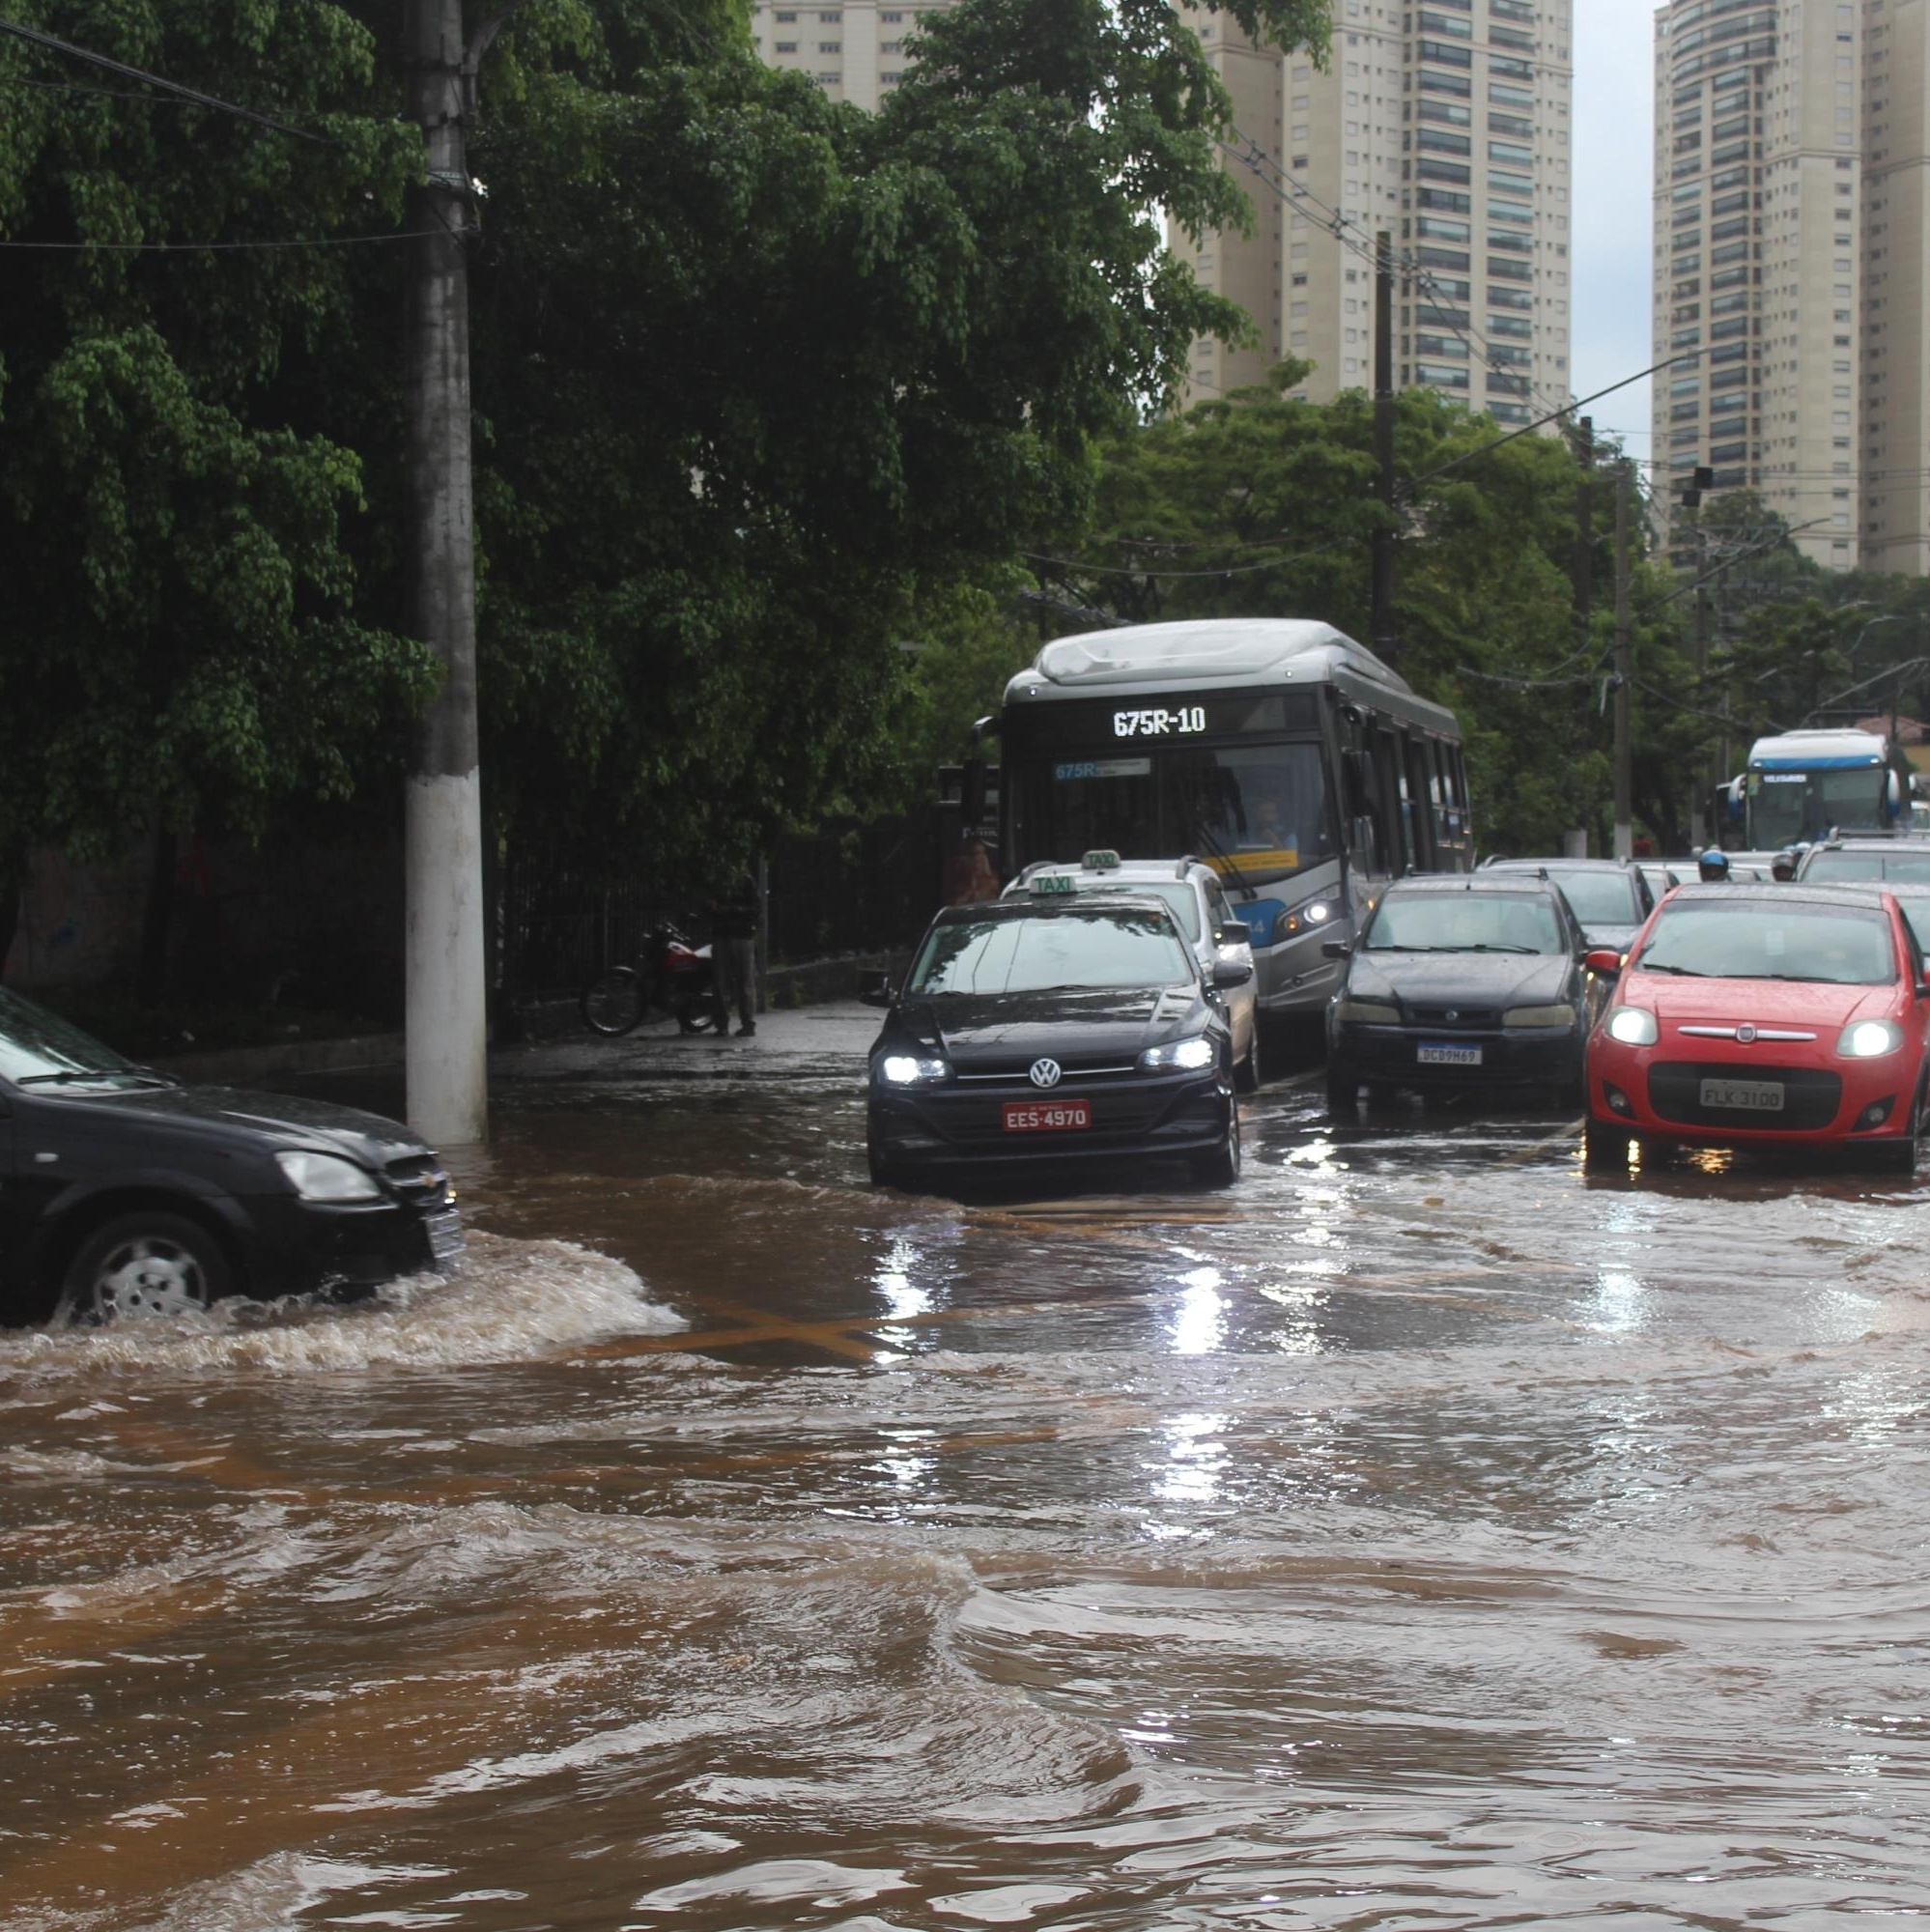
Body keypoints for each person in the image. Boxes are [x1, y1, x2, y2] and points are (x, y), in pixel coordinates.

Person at [710, 873, 759, 1037]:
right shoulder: (718, 881)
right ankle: (723, 1024)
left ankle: (746, 1023)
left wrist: (730, 910)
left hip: (740, 935)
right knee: (721, 982)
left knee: (742, 980)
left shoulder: (745, 881)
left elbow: (754, 909)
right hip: (726, 935)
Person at [943, 834, 1001, 906]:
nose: (976, 859)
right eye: (973, 855)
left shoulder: (994, 882)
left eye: (979, 854)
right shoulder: (958, 884)